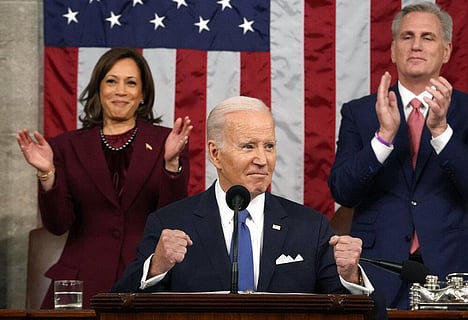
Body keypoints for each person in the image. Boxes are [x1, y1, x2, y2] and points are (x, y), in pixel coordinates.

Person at [111, 96, 387, 319]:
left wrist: (352, 276)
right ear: (215, 153)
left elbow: (370, 314)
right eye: (248, 146)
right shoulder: (171, 223)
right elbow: (118, 306)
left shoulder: (309, 227)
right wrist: (157, 265)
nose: (262, 159)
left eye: (269, 146)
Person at [328, 2, 468, 310]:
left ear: (447, 50)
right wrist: (382, 139)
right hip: (378, 271)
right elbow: (342, 190)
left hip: (454, 273)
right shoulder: (359, 112)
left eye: (427, 37)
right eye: (407, 37)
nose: (416, 45)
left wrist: (441, 133)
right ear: (394, 50)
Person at [16, 48, 193, 308]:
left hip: (144, 281)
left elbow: (172, 219)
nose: (120, 90)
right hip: (81, 283)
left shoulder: (167, 143)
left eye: (131, 82)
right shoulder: (65, 146)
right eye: (111, 81)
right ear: (99, 88)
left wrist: (170, 164)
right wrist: (47, 173)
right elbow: (57, 224)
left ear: (143, 94)